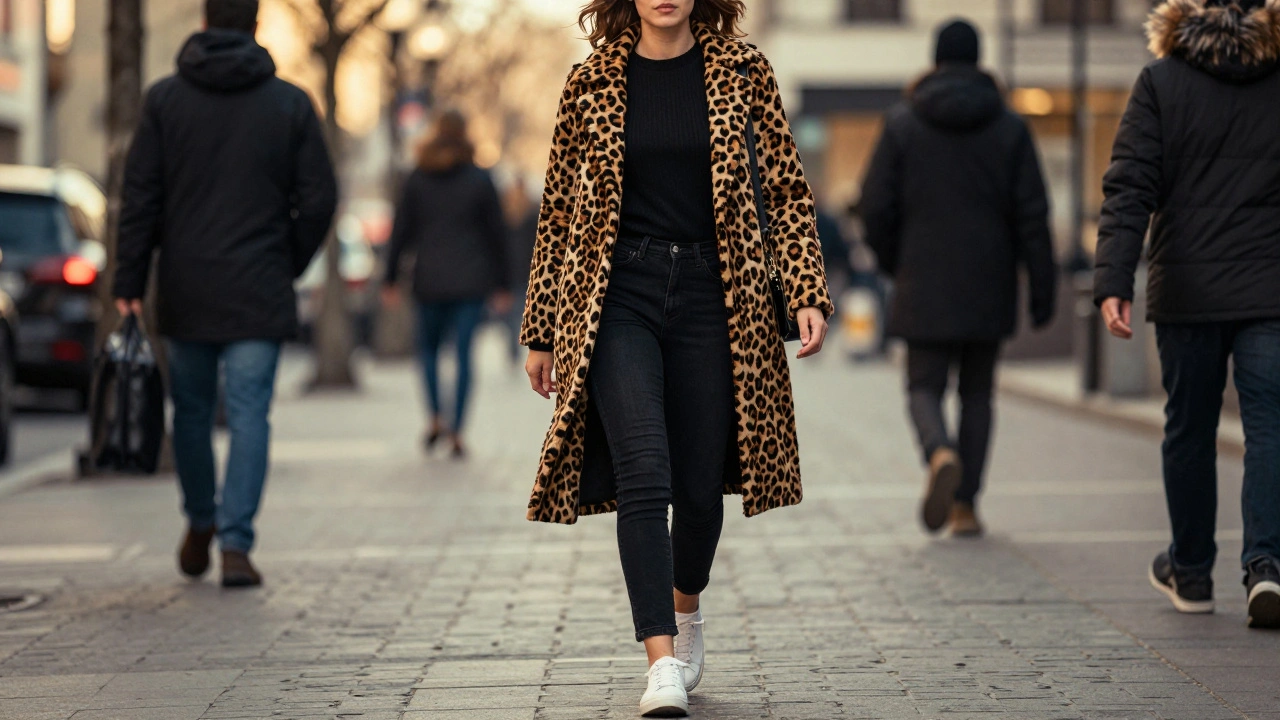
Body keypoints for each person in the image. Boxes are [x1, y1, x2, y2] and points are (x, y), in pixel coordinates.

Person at [521, 1, 832, 716]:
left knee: (697, 486)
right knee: (645, 471)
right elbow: (560, 209)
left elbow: (786, 190)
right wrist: (542, 327)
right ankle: (660, 660)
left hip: (716, 295)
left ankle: (685, 605)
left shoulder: (743, 70)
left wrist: (806, 288)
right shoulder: (591, 81)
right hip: (616, 295)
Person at [113, 0, 337, 588]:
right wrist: (284, 259)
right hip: (258, 286)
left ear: (205, 24)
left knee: (188, 411)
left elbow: (140, 198)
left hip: (187, 286)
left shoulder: (164, 100)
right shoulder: (289, 103)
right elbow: (318, 199)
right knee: (248, 413)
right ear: (256, 25)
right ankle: (237, 543)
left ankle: (200, 520)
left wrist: (129, 282)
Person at [1094, 0, 1280, 629]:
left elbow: (1130, 186)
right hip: (1270, 289)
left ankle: (1192, 572)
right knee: (1271, 426)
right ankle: (1267, 567)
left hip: (1189, 290)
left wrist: (1114, 279)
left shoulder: (1162, 81)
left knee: (1190, 429)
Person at [861, 18, 1057, 538]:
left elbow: (875, 205)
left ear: (935, 58)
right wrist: (1041, 288)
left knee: (922, 385)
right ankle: (966, 506)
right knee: (977, 393)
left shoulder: (903, 123)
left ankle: (938, 450)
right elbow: (1032, 213)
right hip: (988, 283)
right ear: (979, 58)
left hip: (921, 278)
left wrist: (890, 261)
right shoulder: (1010, 126)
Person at [382, 111, 510, 459]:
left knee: (428, 352)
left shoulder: (418, 178)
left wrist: (391, 278)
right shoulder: (480, 179)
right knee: (465, 356)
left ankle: (436, 416)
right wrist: (503, 283)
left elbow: (401, 230)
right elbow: (497, 234)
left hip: (428, 280)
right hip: (471, 281)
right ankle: (457, 429)